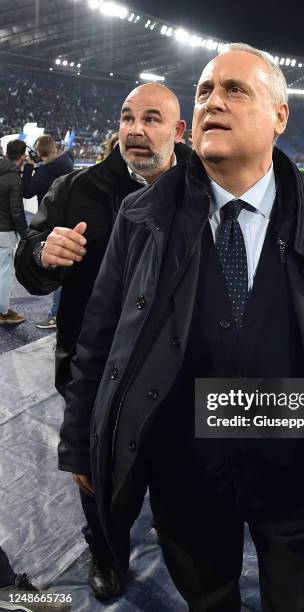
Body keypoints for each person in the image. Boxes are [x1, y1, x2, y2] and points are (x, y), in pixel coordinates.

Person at [58, 44, 304, 611]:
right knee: (207, 598)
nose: (214, 101)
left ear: (280, 116)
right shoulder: (142, 216)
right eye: (205, 91)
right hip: (185, 471)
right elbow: (99, 337)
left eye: (235, 90)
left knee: (296, 600)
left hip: (300, 465)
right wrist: (79, 445)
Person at [15, 83, 188, 600]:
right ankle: (106, 550)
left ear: (178, 131)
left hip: (178, 374)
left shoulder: (206, 191)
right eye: (127, 117)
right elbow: (30, 270)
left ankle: (175, 532)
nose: (136, 129)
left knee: (177, 471)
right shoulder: (75, 190)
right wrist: (44, 253)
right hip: (94, 371)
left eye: (152, 119)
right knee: (99, 480)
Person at [21, 135, 75, 330]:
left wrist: (28, 167)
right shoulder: (66, 160)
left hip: (54, 222)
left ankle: (55, 315)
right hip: (69, 218)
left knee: (58, 269)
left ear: (39, 152)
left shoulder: (46, 171)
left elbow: (26, 191)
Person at [0, 140, 27, 325]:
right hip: (4, 232)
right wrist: (26, 235)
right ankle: (2, 311)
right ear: (22, 156)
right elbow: (16, 211)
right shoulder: (14, 178)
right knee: (4, 272)